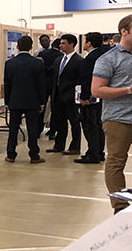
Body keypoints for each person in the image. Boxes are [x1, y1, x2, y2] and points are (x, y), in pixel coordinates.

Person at [91, 14, 132, 213]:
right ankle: (121, 207)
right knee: (116, 161)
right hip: (118, 119)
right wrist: (128, 90)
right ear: (124, 31)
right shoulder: (108, 59)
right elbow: (97, 90)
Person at [3, 35, 46, 163]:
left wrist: (7, 102)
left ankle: (11, 154)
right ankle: (34, 155)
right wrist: (41, 102)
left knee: (13, 128)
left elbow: (7, 84)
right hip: (32, 101)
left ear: (17, 46)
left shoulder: (9, 63)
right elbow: (41, 85)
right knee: (32, 129)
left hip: (15, 101)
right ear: (31, 47)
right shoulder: (37, 63)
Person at [75, 32, 108, 164]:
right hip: (100, 95)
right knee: (98, 125)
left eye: (85, 41)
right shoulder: (103, 55)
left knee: (89, 125)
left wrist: (84, 97)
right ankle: (99, 152)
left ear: (89, 43)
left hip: (90, 96)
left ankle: (92, 154)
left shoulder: (91, 57)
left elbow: (87, 78)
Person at [47, 34, 83, 155]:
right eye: (60, 43)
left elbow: (80, 80)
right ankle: (59, 145)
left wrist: (76, 95)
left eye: (63, 43)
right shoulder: (59, 60)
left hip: (70, 97)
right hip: (57, 96)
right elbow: (53, 74)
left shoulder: (78, 61)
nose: (61, 45)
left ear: (71, 44)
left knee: (74, 122)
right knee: (60, 122)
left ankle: (75, 147)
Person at [37, 36, 62, 138]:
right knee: (54, 109)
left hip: (43, 84)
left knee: (41, 108)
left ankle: (38, 130)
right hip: (55, 85)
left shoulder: (42, 54)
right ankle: (52, 130)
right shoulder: (61, 56)